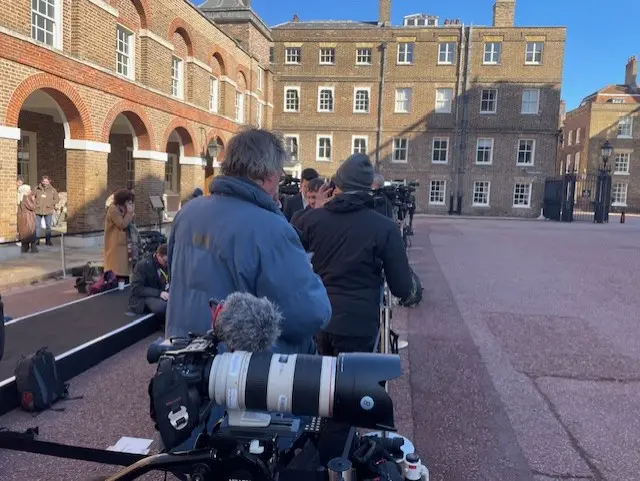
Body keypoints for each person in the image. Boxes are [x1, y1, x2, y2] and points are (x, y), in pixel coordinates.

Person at [166, 128, 331, 354]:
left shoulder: (188, 213)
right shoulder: (270, 228)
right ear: (269, 175)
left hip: (186, 355)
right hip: (241, 372)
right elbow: (311, 313)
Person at [296, 153, 416, 355]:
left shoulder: (311, 220)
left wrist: (315, 211)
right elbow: (402, 288)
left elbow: (290, 257)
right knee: (354, 383)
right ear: (369, 187)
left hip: (319, 316)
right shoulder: (385, 228)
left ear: (336, 185)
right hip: (360, 324)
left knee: (320, 382)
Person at [129, 243, 169, 326]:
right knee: (163, 306)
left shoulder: (167, 264)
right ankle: (166, 327)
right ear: (158, 256)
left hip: (161, 293)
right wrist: (159, 293)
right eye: (165, 262)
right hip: (143, 298)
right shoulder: (142, 265)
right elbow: (136, 288)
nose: (167, 265)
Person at [104, 189, 135, 282]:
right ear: (123, 200)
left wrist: (130, 213)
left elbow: (130, 222)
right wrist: (129, 213)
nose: (130, 203)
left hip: (124, 243)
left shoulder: (122, 208)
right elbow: (122, 224)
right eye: (128, 201)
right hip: (115, 244)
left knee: (124, 268)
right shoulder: (113, 209)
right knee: (117, 268)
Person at [34, 175, 59, 246]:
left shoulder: (53, 190)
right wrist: (35, 204)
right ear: (41, 181)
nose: (45, 182)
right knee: (37, 227)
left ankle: (48, 241)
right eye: (44, 181)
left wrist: (50, 204)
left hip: (48, 211)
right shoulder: (36, 189)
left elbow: (57, 199)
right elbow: (32, 196)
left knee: (48, 227)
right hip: (38, 210)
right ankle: (37, 241)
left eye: (46, 181)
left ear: (49, 181)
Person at [17, 187, 38, 253]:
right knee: (30, 233)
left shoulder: (20, 197)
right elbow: (32, 207)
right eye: (29, 189)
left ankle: (25, 249)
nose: (30, 190)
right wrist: (33, 200)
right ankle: (33, 248)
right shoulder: (25, 197)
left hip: (23, 218)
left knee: (24, 234)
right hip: (28, 218)